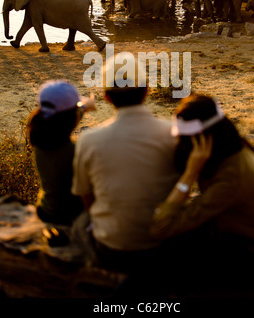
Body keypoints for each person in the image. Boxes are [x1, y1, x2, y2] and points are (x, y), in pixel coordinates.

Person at [150, 94, 254, 297]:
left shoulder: (230, 179)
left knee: (165, 252)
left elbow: (161, 227)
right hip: (242, 240)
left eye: (183, 138)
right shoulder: (234, 150)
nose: (179, 142)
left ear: (202, 140)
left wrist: (189, 175)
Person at [71, 53, 179, 274]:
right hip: (162, 244)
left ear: (107, 97)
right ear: (146, 91)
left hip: (112, 248)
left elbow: (86, 197)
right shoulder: (172, 133)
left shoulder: (89, 140)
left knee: (78, 226)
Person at [27, 79, 96, 228]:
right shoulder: (74, 152)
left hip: (45, 209)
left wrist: (85, 106)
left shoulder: (41, 135)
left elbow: (65, 117)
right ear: (71, 119)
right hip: (68, 217)